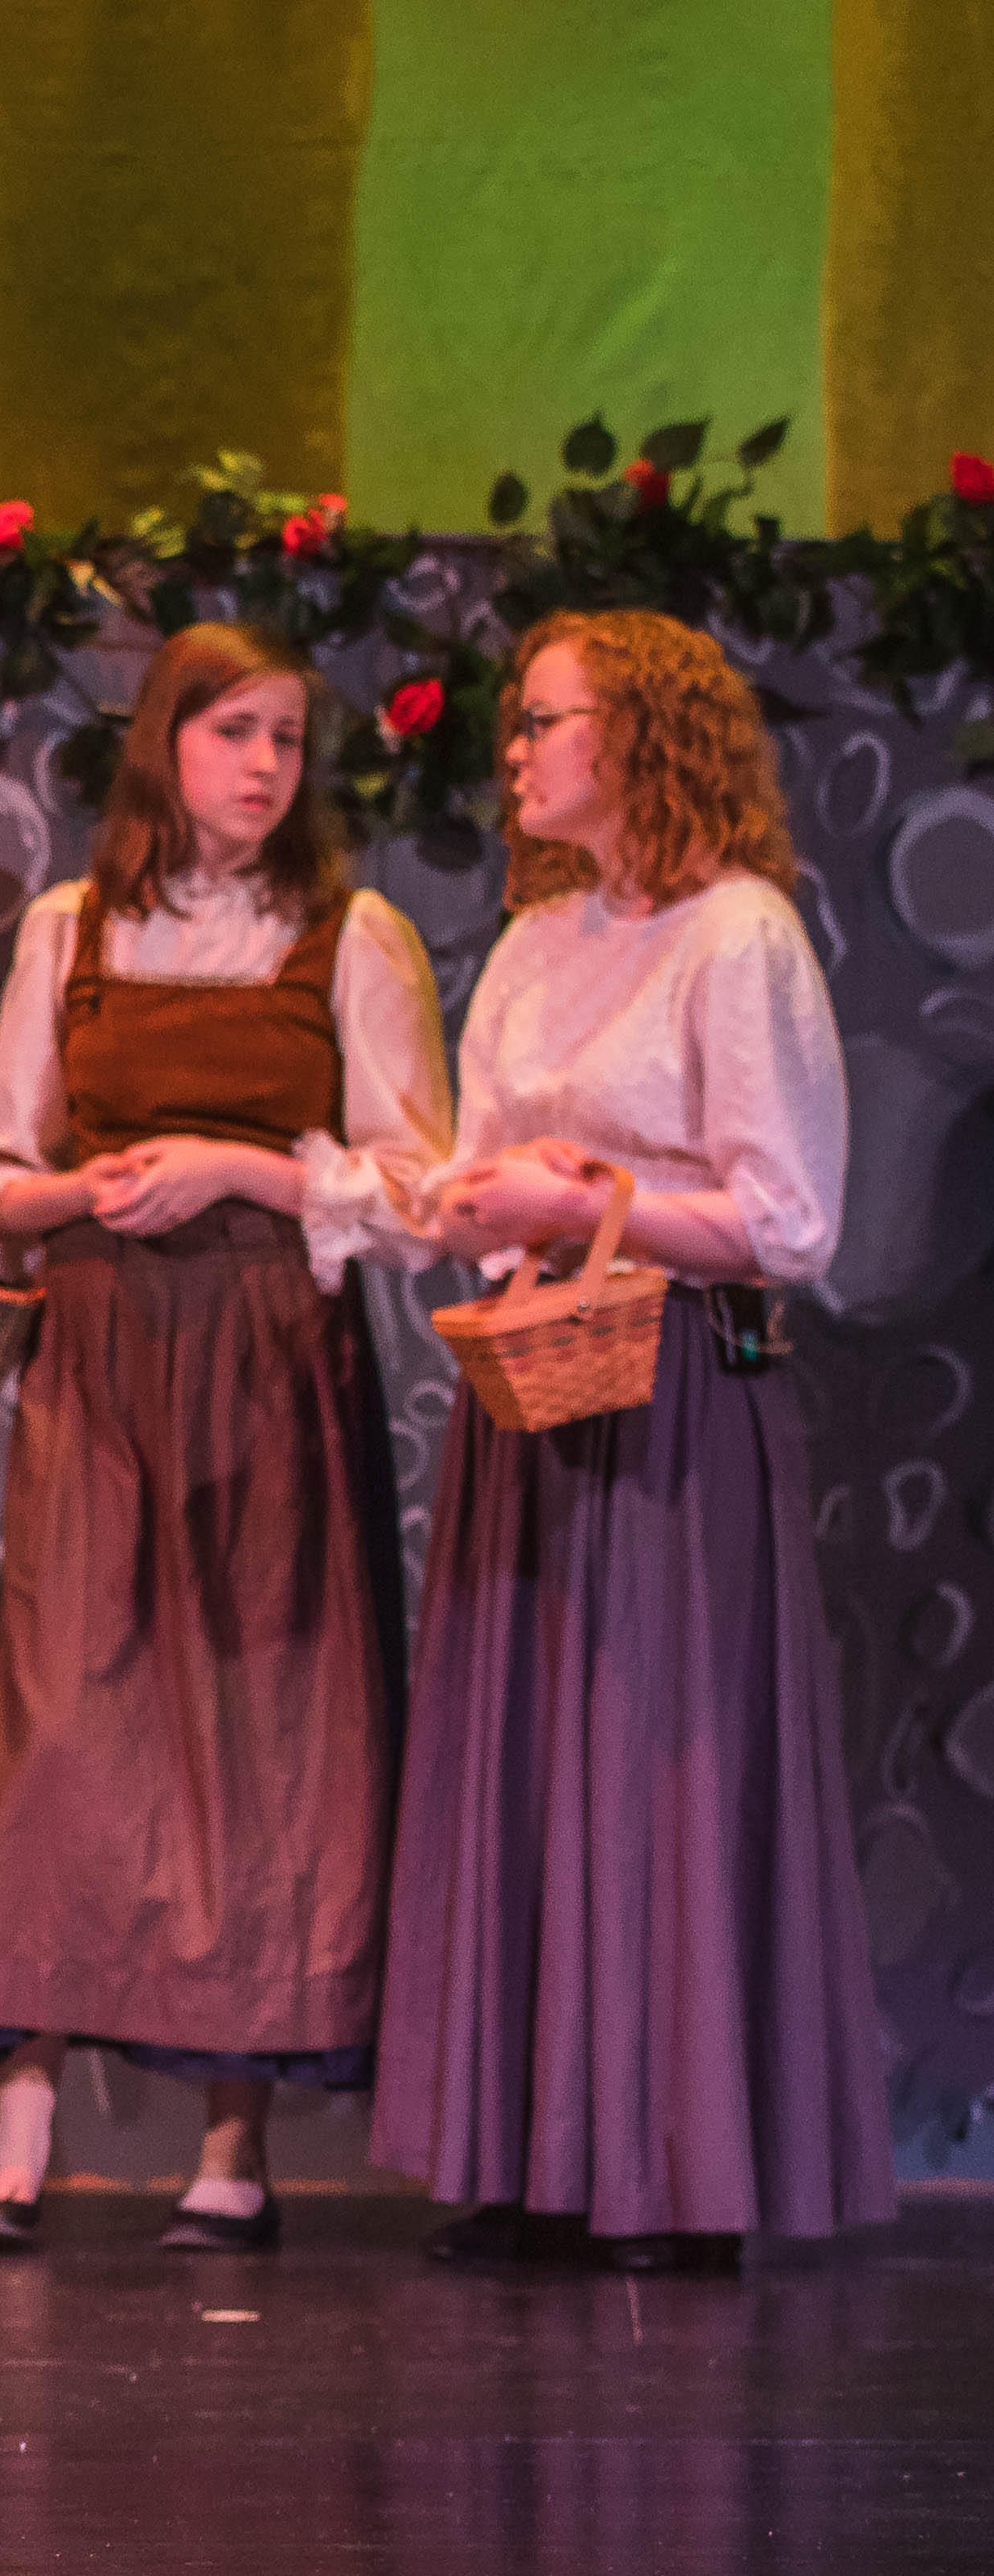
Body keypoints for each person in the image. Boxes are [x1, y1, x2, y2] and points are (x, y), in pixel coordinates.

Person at [0, 624, 454, 2254]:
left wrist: (239, 1170)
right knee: (64, 1721)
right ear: (167, 742)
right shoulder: (69, 929)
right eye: (235, 731)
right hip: (99, 1358)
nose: (265, 765)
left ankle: (235, 2138)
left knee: (261, 1728)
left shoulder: (349, 934)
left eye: (287, 737)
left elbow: (413, 1190)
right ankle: (20, 2114)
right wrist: (75, 1190)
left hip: (269, 1358)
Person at [373, 608, 895, 2275]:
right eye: (518, 723)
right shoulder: (536, 940)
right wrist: (479, 1202)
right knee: (527, 1752)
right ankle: (533, 2154)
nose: (515, 750)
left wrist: (581, 1198)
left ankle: (670, 2168)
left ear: (640, 735)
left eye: (545, 719)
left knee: (656, 1756)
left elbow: (787, 1218)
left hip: (671, 1381)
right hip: (535, 1376)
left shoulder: (735, 934)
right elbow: (482, 1161)